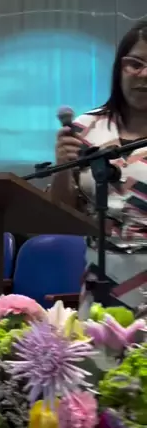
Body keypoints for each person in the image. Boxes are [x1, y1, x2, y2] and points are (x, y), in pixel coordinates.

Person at [51, 19, 147, 312]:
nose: (144, 75)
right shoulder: (86, 128)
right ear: (119, 68)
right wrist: (62, 166)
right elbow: (62, 213)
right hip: (99, 280)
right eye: (135, 64)